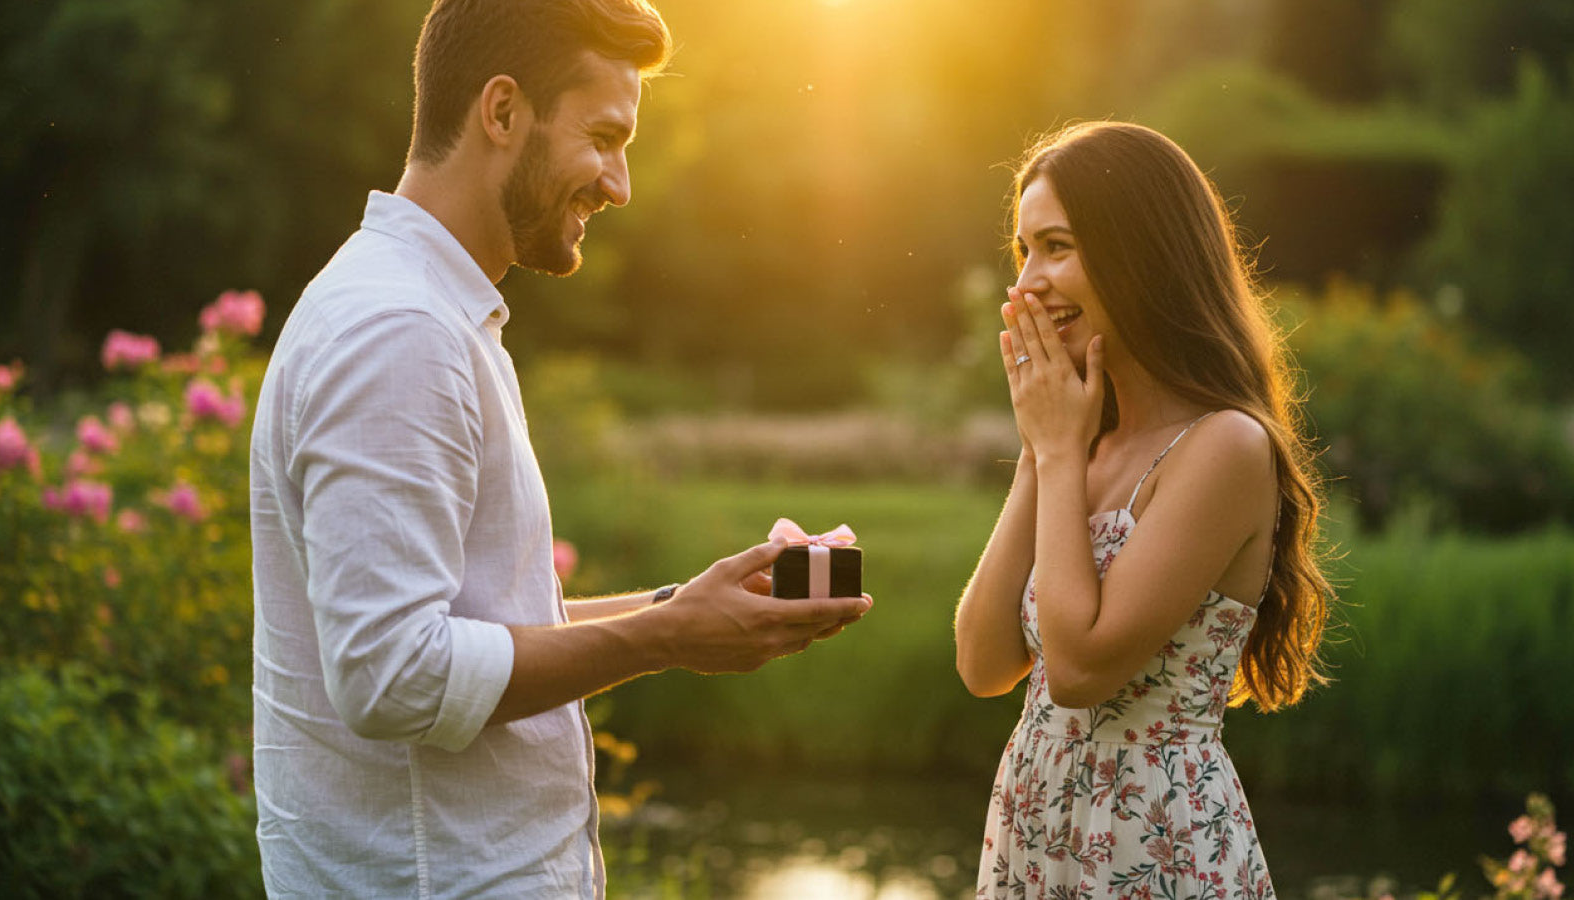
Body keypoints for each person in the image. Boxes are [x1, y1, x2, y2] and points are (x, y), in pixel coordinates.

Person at [248, 1, 871, 896]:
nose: (619, 184)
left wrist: (678, 607)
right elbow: (393, 678)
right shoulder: (399, 331)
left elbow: (465, 624)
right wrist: (664, 639)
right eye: (605, 137)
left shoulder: (431, 312)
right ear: (501, 112)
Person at [953, 121, 1334, 898]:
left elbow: (1082, 668)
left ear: (1142, 254)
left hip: (1153, 845)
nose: (1027, 284)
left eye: (1056, 247)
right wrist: (1042, 448)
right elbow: (985, 664)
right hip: (1036, 835)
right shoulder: (1077, 447)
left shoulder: (1223, 446)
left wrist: (1057, 453)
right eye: (1023, 252)